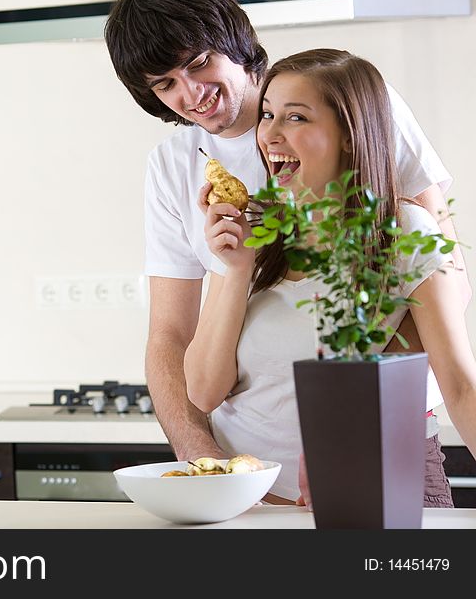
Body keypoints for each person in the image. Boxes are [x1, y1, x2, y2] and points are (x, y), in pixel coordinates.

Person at [103, 0, 469, 501]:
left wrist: (355, 390)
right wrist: (202, 458)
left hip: (381, 456)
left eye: (199, 63)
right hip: (247, 471)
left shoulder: (354, 105)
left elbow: (446, 279)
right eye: (165, 85)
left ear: (234, 37)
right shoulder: (173, 169)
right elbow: (170, 337)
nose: (191, 94)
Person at [184, 48, 476, 506]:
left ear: (348, 135)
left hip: (372, 496)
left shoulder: (402, 231)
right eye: (267, 115)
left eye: (296, 118)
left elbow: (460, 385)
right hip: (254, 506)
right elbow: (202, 391)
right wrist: (238, 269)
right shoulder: (250, 230)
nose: (269, 135)